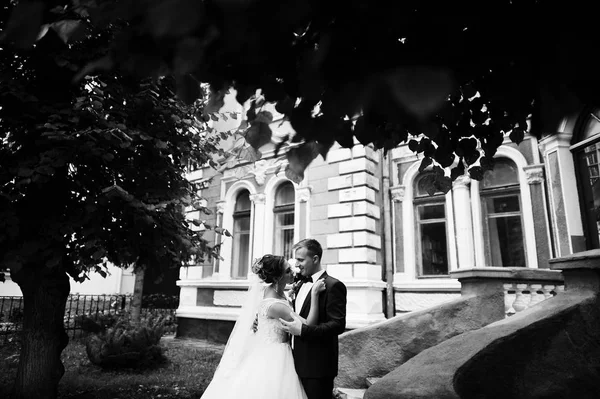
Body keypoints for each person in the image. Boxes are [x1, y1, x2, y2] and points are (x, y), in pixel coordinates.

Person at [200, 254, 325, 399]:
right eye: (287, 271)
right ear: (277, 278)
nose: (293, 272)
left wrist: (291, 293)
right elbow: (309, 324)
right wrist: (315, 295)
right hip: (276, 356)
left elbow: (267, 310)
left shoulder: (269, 292)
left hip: (263, 347)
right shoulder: (277, 307)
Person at [280, 238, 348, 399]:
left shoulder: (333, 286)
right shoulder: (300, 282)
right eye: (296, 259)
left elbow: (337, 325)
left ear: (315, 259)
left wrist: (303, 331)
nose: (297, 264)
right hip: (294, 361)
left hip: (317, 367)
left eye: (301, 260)